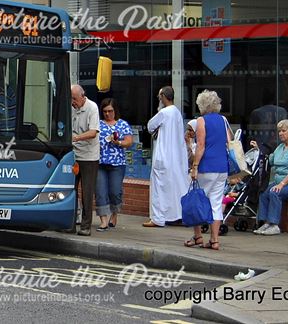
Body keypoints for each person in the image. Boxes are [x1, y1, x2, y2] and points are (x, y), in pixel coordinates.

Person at [186, 89, 230, 250]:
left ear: (202, 105)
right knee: (216, 203)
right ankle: (214, 240)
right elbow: (229, 142)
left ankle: (197, 236)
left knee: (197, 201)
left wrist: (195, 166)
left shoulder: (201, 121)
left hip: (207, 166)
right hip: (222, 167)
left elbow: (201, 146)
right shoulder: (223, 120)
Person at [143, 86, 190, 227]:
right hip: (175, 158)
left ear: (163, 96)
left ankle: (157, 218)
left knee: (158, 189)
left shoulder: (164, 112)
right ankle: (177, 215)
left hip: (163, 157)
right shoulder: (176, 112)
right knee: (175, 188)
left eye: (159, 96)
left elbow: (150, 126)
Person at [253, 119, 288, 235]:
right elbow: (270, 159)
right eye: (279, 131)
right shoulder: (280, 147)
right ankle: (265, 222)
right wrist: (259, 150)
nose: (280, 133)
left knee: (274, 192)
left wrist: (282, 184)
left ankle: (274, 224)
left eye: (283, 131)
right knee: (263, 193)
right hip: (279, 181)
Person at [96, 98, 134, 231]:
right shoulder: (98, 124)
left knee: (115, 191)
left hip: (117, 163)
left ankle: (114, 214)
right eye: (105, 111)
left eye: (110, 111)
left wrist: (119, 143)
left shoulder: (122, 124)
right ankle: (103, 220)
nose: (107, 114)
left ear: (115, 111)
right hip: (100, 162)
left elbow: (129, 141)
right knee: (100, 191)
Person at [71, 84, 99, 236]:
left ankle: (85, 226)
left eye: (74, 99)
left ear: (83, 96)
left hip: (89, 157)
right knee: (70, 190)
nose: (72, 102)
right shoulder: (71, 107)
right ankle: (69, 223)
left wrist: (75, 138)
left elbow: (93, 132)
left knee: (87, 192)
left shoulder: (92, 108)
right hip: (74, 155)